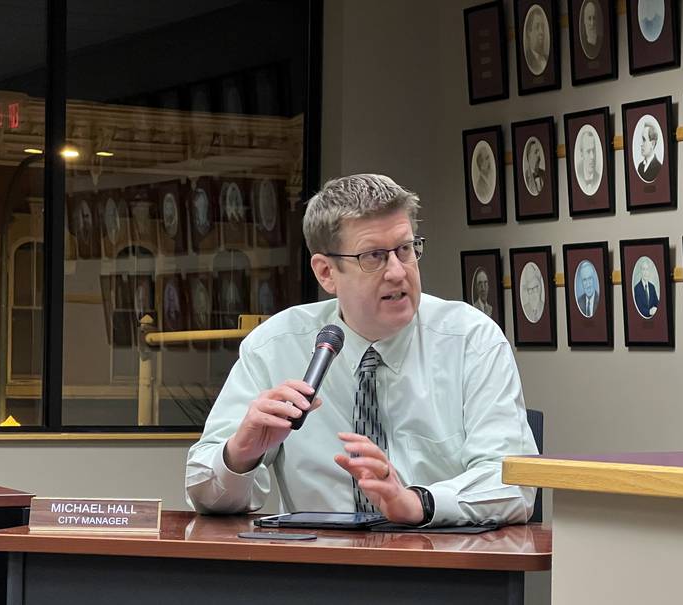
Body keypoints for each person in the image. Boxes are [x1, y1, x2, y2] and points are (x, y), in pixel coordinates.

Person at [186, 174, 537, 527]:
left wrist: (417, 503)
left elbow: (515, 484)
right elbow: (205, 493)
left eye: (405, 249)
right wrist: (240, 454)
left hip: (444, 565)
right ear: (326, 273)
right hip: (316, 570)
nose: (398, 272)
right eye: (374, 256)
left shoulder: (470, 340)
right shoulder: (275, 346)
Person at [523, 6, 549, 76]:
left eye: (542, 27)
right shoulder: (529, 60)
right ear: (529, 32)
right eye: (537, 27)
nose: (541, 32)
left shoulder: (546, 59)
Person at [575, 128, 601, 195]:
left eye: (593, 150)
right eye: (588, 151)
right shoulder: (578, 177)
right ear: (581, 153)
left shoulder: (598, 178)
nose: (592, 156)